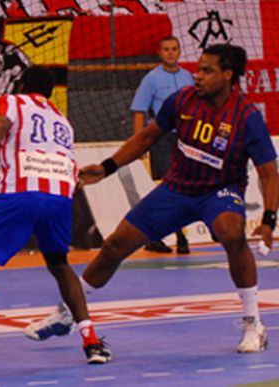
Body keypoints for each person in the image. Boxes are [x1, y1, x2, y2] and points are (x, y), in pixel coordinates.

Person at [27, 44, 278, 353]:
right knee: (114, 245)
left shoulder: (247, 117)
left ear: (228, 76)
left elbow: (268, 173)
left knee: (231, 232)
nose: (197, 76)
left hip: (219, 192)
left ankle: (253, 324)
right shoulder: (182, 100)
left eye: (207, 71)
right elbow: (147, 137)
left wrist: (268, 219)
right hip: (176, 189)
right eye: (198, 69)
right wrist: (107, 167)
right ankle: (67, 314)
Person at [0, 66, 111, 367]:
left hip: (21, 192)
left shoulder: (11, 101)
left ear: (20, 84)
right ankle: (92, 342)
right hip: (61, 196)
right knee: (60, 264)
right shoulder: (63, 121)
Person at [132, 36, 194, 254]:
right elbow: (140, 110)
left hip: (186, 136)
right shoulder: (151, 79)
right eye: (166, 49)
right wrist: (139, 143)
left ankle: (176, 236)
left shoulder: (188, 77)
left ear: (179, 51)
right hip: (163, 137)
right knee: (166, 187)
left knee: (185, 185)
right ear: (160, 52)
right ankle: (172, 236)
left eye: (174, 49)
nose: (170, 53)